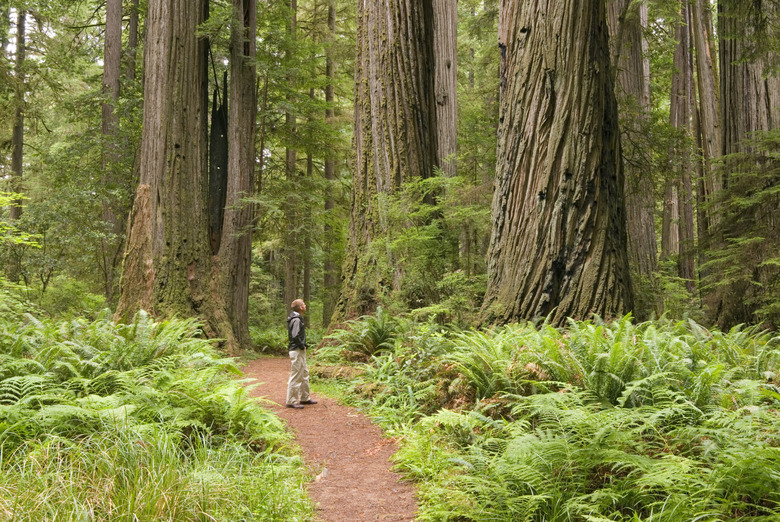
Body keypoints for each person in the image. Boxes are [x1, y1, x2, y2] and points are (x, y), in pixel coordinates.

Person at [286, 299, 317, 409]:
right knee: (296, 374)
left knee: (304, 373)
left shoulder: (297, 318)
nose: (305, 305)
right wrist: (301, 345)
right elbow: (295, 335)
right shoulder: (296, 319)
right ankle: (291, 400)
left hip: (299, 350)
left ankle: (305, 398)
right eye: (303, 304)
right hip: (296, 350)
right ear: (300, 308)